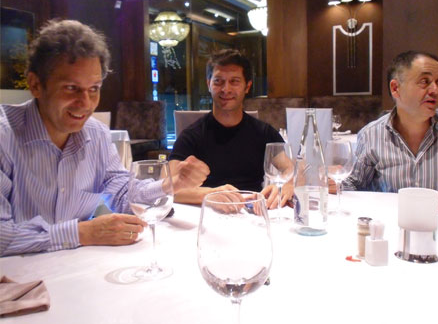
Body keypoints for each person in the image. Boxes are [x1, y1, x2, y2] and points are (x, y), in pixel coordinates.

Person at [0, 19, 209, 256]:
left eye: (94, 89)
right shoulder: (5, 136)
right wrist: (82, 233)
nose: (85, 103)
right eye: (71, 88)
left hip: (76, 266)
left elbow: (121, 194)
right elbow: (3, 237)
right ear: (35, 85)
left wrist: (171, 184)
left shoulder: (96, 134)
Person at [341, 51, 438, 197]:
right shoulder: (370, 135)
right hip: (392, 212)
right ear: (395, 88)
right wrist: (336, 183)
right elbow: (354, 184)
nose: (435, 90)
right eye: (424, 81)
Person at [170, 49, 288, 207]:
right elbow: (167, 186)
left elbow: (291, 170)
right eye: (218, 81)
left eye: (234, 81)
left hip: (253, 213)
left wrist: (288, 184)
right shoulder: (191, 136)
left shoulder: (264, 132)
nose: (226, 89)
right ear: (209, 84)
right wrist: (212, 195)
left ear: (247, 86)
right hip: (205, 214)